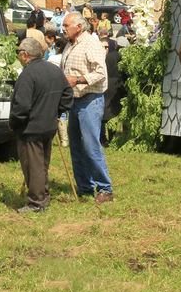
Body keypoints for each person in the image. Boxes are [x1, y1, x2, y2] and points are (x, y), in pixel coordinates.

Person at [9, 37, 73, 214]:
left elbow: (21, 106)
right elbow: (68, 93)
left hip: (31, 128)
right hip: (48, 126)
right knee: (42, 163)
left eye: (19, 53)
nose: (19, 56)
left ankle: (36, 203)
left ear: (25, 55)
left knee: (33, 166)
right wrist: (56, 112)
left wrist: (13, 124)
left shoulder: (28, 74)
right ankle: (43, 196)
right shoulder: (54, 70)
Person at [60, 11, 114, 203]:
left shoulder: (91, 43)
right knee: (76, 146)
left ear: (79, 27)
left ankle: (105, 189)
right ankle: (85, 188)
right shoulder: (69, 44)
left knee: (91, 145)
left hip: (90, 100)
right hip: (73, 101)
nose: (63, 29)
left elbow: (101, 72)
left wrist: (79, 79)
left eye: (66, 25)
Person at [100, 38, 124, 145]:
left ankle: (105, 137)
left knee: (107, 112)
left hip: (107, 85)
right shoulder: (125, 58)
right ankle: (116, 137)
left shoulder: (107, 57)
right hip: (120, 86)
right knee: (118, 112)